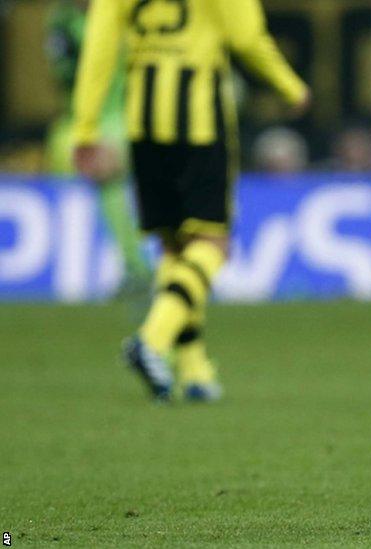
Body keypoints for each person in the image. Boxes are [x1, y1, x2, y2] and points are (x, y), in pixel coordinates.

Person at [72, 0, 310, 402]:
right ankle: (152, 340)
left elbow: (100, 43)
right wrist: (288, 85)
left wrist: (86, 126)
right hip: (200, 125)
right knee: (212, 245)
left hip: (143, 122)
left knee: (174, 245)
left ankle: (193, 370)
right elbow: (246, 36)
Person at [46, 0, 151, 295]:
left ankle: (141, 268)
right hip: (85, 119)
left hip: (125, 115)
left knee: (111, 179)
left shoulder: (128, 16)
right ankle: (135, 267)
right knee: (100, 179)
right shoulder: (63, 22)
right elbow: (65, 75)